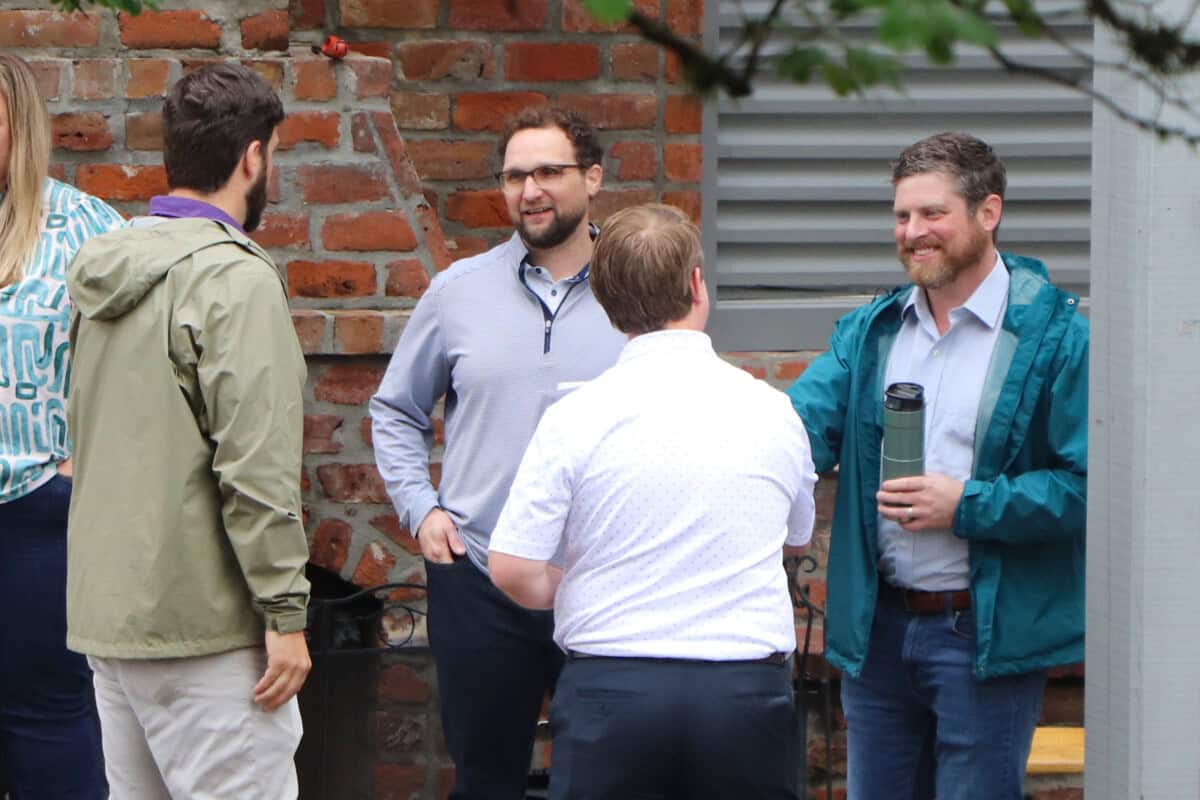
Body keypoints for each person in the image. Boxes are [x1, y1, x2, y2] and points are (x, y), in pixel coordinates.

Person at [787, 132, 1088, 800]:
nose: (913, 232)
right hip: (878, 633)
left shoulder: (1056, 336)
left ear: (989, 213)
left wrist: (968, 505)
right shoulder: (872, 333)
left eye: (932, 214)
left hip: (981, 639)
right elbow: (791, 433)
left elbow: (1085, 488)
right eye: (901, 216)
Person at [487, 203, 817, 800]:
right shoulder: (774, 411)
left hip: (611, 694)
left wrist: (594, 582)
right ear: (696, 284)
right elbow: (795, 538)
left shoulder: (573, 418)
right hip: (741, 694)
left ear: (608, 304)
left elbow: (511, 567)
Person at [64, 63, 311, 799]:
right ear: (254, 157)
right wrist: (286, 614)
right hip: (206, 629)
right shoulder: (234, 278)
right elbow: (255, 467)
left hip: (112, 625)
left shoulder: (106, 271)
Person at [370, 107, 626, 798]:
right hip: (479, 575)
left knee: (606, 780)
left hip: (604, 583)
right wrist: (421, 510)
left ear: (593, 178)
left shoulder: (635, 290)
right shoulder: (459, 292)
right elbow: (395, 410)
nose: (530, 190)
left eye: (549, 171)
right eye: (515, 176)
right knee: (484, 781)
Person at [0, 53, 124, 800]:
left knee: (44, 722)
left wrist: (81, 468)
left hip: (36, 517)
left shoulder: (82, 227)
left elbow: (138, 365)